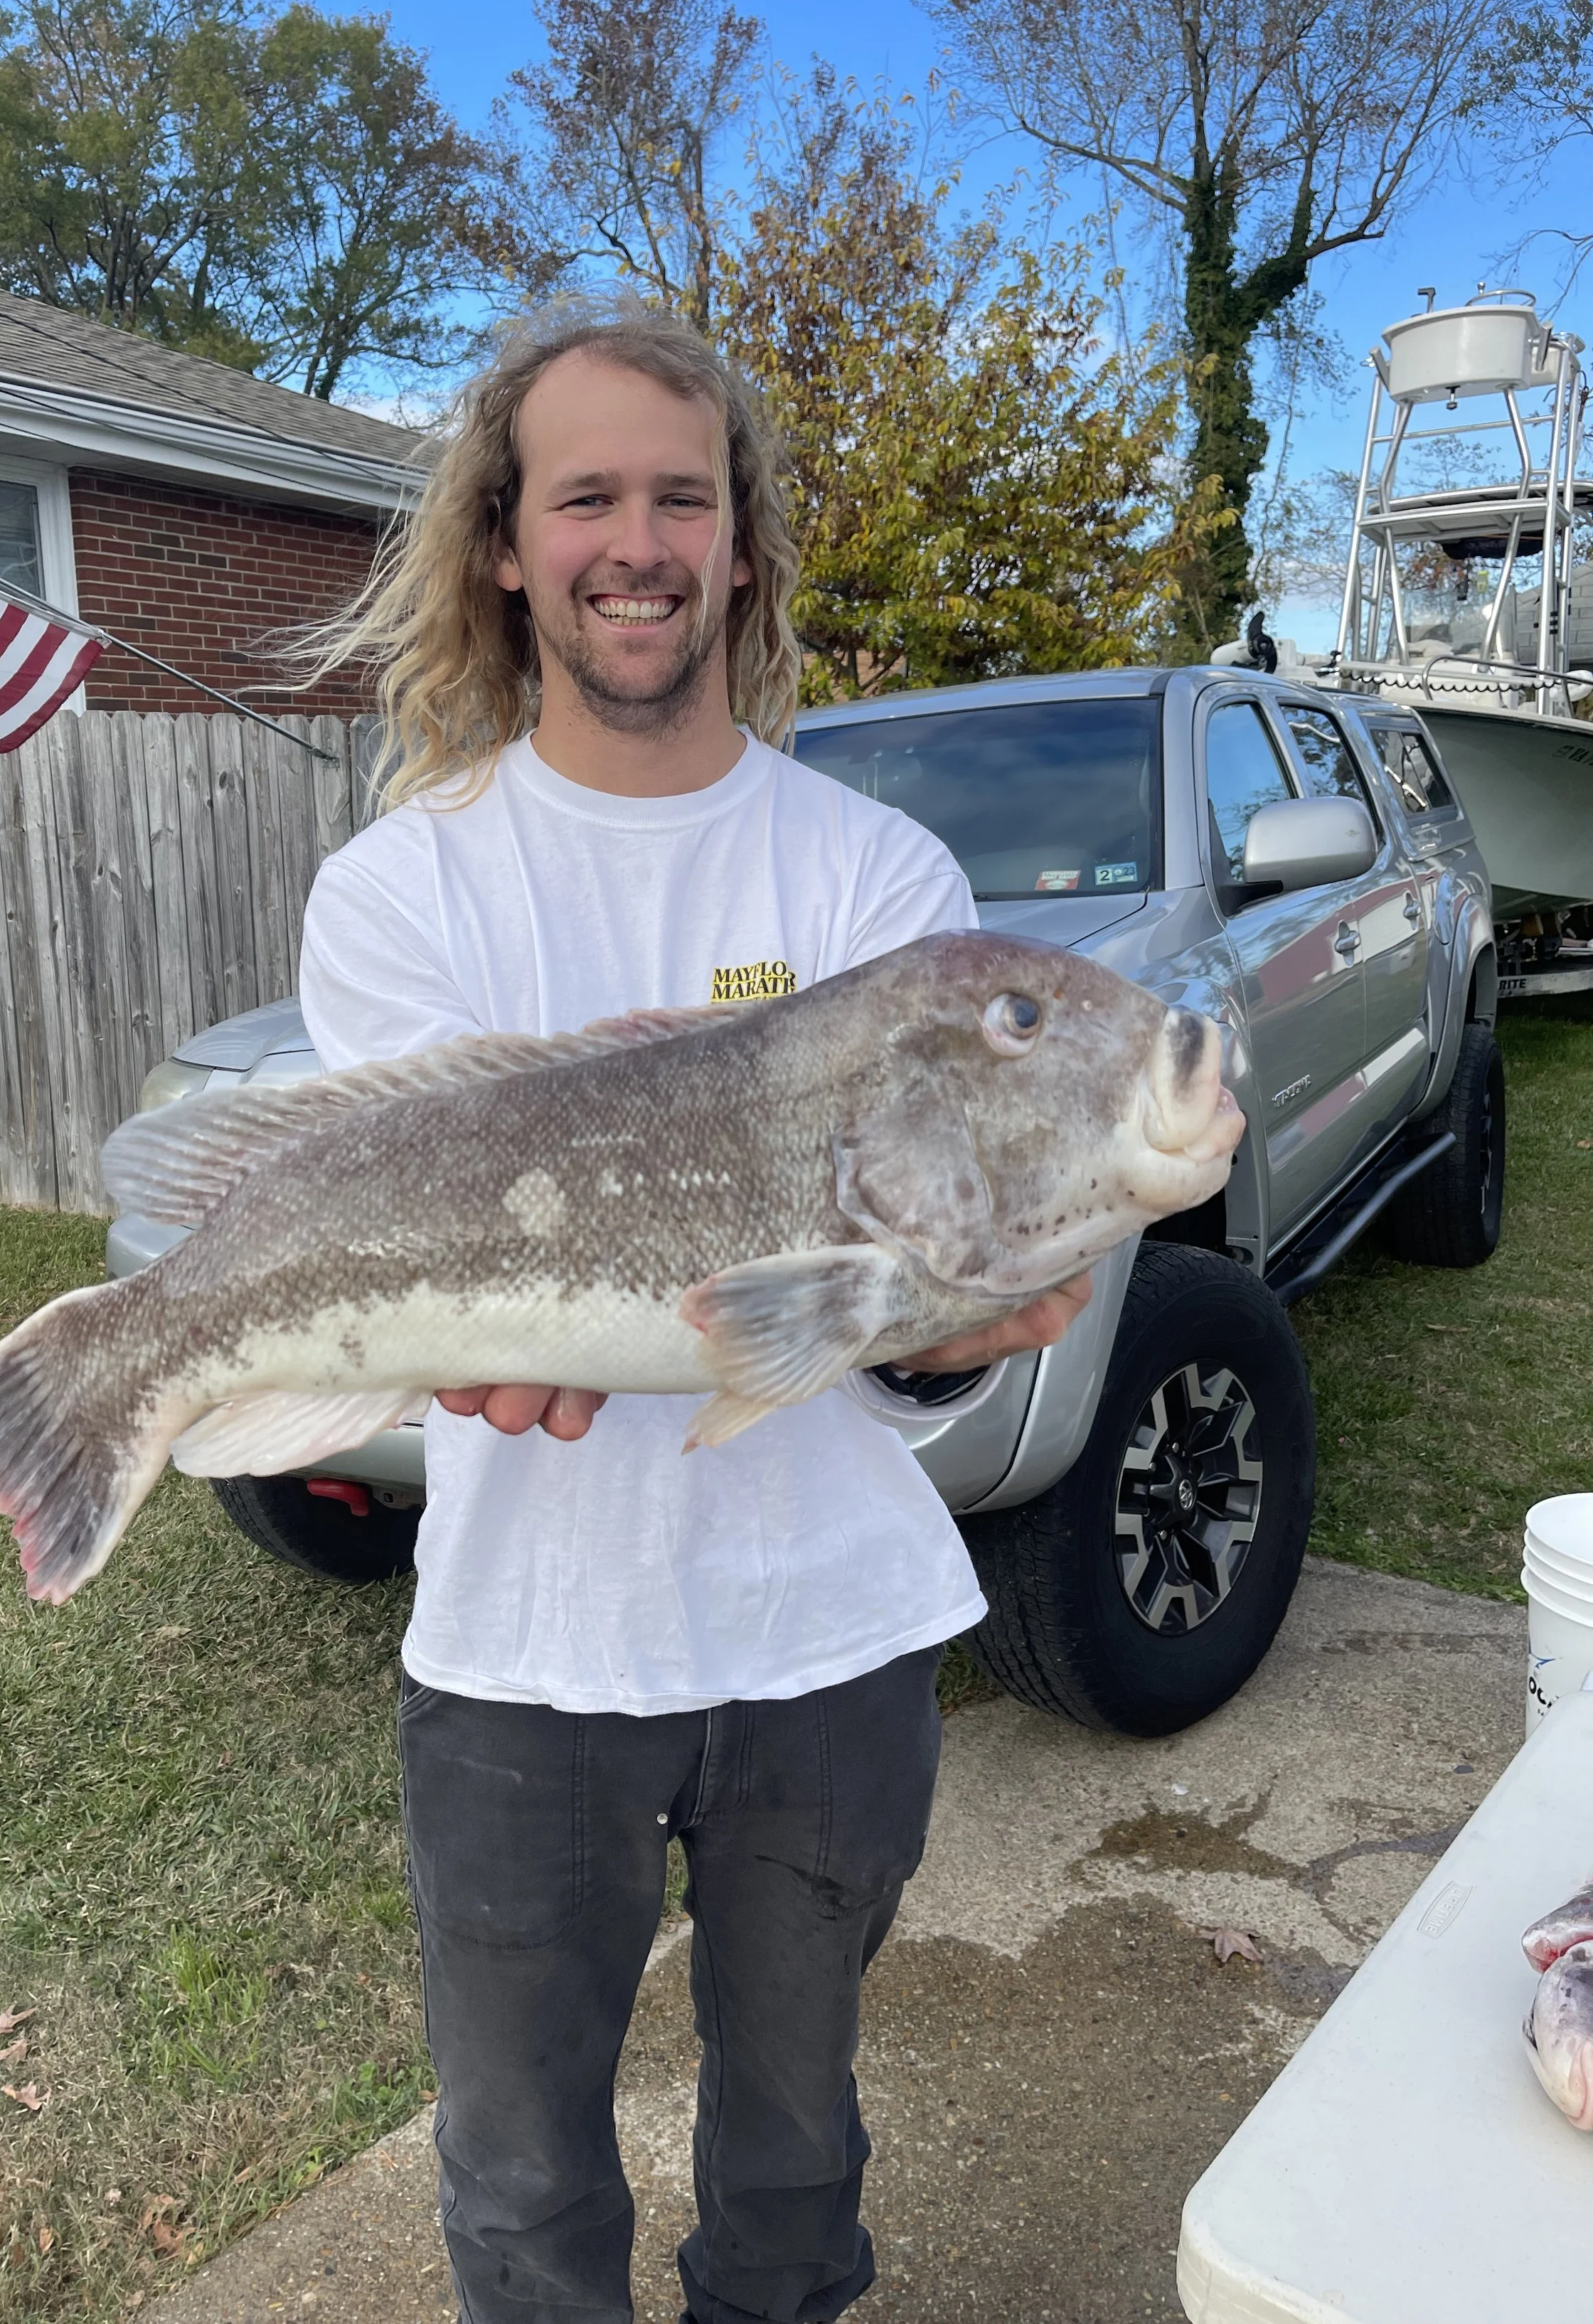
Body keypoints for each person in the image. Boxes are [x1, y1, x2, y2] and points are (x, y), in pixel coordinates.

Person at [297, 297, 1090, 2324]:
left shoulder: (879, 880)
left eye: (681, 495)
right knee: (522, 2181)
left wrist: (941, 1325)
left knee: (797, 2155)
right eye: (585, 496)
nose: (635, 541)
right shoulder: (406, 891)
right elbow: (439, 1267)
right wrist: (423, 1354)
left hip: (824, 1634)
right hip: (519, 1655)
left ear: (740, 544)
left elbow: (896, 1290)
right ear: (503, 540)